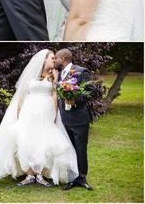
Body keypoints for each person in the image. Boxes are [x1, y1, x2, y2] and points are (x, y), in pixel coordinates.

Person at [0, 49, 78, 186]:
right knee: (28, 141)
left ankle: (40, 175)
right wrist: (19, 114)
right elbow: (21, 96)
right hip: (30, 112)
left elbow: (55, 96)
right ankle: (30, 175)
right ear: (44, 60)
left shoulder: (54, 76)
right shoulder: (31, 76)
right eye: (52, 58)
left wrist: (55, 114)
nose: (54, 60)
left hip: (46, 112)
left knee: (44, 141)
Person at [54, 49, 93, 190]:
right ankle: (72, 178)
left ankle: (82, 178)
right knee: (69, 150)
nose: (54, 61)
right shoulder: (59, 75)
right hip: (65, 119)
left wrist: (74, 100)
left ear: (63, 59)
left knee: (81, 149)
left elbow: (91, 91)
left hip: (79, 119)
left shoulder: (81, 71)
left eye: (56, 58)